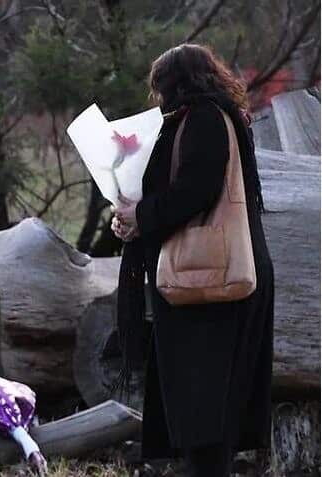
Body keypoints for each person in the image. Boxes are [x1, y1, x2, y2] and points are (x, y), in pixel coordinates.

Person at [111, 44, 274, 477]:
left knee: (205, 403)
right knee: (210, 406)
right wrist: (133, 220)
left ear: (176, 84)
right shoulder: (217, 116)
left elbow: (195, 190)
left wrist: (143, 216)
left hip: (209, 286)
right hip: (217, 278)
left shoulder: (202, 118)